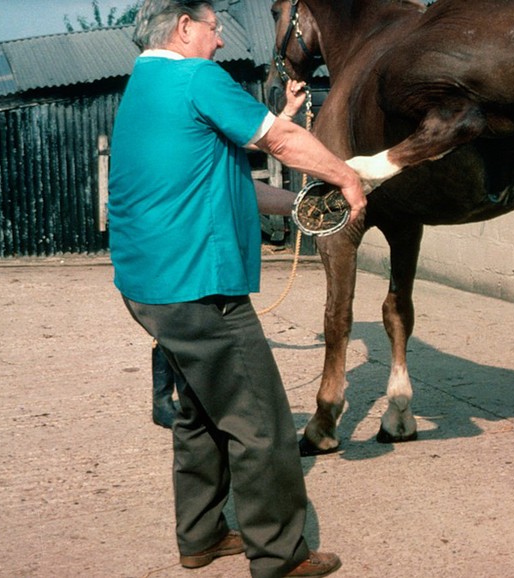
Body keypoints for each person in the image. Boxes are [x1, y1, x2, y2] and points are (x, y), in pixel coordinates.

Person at [108, 1, 365, 576]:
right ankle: (279, 556)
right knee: (262, 422)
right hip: (198, 287)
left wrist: (302, 206)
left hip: (150, 286)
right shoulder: (196, 76)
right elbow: (281, 143)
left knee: (201, 412)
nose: (221, 42)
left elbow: (226, 185)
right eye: (215, 29)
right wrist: (345, 176)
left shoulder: (146, 85)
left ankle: (200, 536)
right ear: (184, 28)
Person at [149, 82, 312, 431]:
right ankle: (165, 399)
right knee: (179, 318)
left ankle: (184, 401)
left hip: (196, 235)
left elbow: (254, 137)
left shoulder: (210, 130)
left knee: (193, 319)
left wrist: (286, 114)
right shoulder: (179, 120)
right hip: (176, 230)